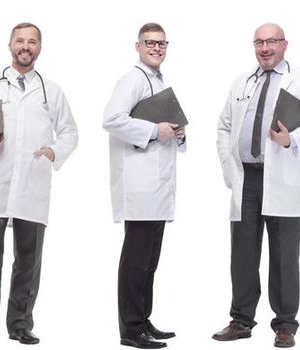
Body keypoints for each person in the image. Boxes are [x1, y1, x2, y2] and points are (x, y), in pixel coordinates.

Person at [0, 22, 80, 348]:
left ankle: (21, 324)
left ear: (39, 48)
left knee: (28, 259)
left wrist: (55, 150)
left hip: (33, 186)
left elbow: (70, 131)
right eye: (20, 41)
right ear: (10, 45)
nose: (26, 46)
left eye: (32, 42)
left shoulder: (51, 91)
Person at [211, 23, 300, 348]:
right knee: (242, 253)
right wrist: (227, 164)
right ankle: (241, 319)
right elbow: (223, 126)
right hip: (246, 178)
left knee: (284, 255)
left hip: (283, 179)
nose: (265, 48)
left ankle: (286, 325)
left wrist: (293, 139)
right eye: (259, 42)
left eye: (271, 42)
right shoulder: (241, 82)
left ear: (284, 45)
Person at [102, 22, 184, 349]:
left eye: (162, 43)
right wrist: (154, 131)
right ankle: (131, 329)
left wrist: (176, 132)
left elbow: (163, 125)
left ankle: (143, 320)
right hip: (139, 187)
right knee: (136, 261)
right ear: (137, 46)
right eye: (150, 43)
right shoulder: (133, 79)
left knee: (150, 261)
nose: (156, 48)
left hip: (157, 187)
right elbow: (111, 119)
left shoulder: (157, 80)